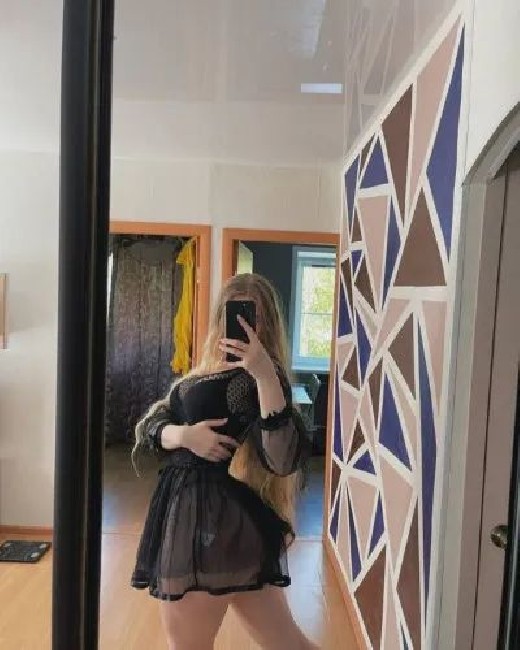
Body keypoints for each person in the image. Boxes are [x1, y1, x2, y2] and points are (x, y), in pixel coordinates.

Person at [131, 273, 319, 650]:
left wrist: (264, 373)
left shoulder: (261, 379)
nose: (246, 326)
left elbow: (282, 459)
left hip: (205, 525)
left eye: (254, 316)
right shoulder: (204, 373)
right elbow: (149, 427)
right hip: (222, 523)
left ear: (268, 324)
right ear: (221, 318)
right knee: (288, 644)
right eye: (235, 315)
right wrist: (184, 436)